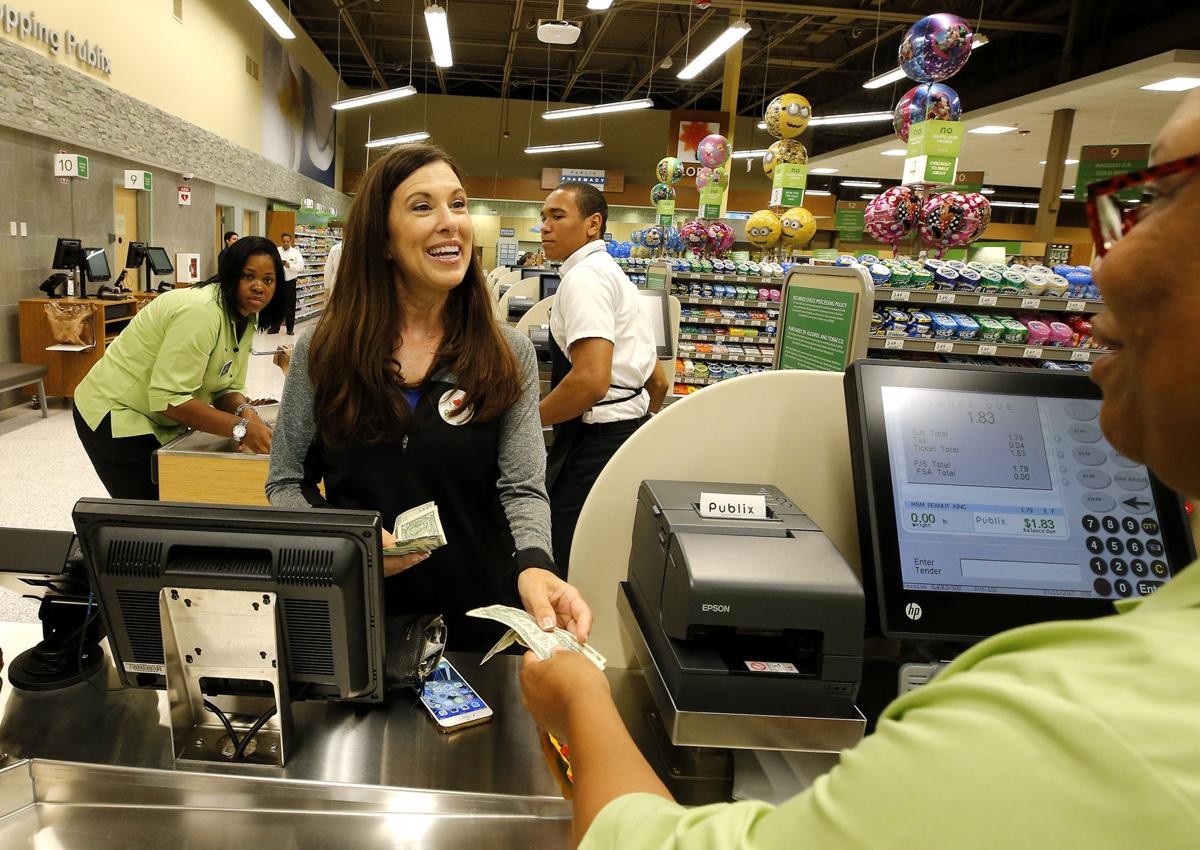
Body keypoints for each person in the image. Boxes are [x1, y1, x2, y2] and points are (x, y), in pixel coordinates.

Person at [519, 91, 1200, 850]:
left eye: (1160, 195)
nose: (1111, 262)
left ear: (591, 223)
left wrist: (583, 699)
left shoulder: (1075, 721)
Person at [266, 143, 592, 652]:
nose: (450, 223)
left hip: (476, 621)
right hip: (355, 610)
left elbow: (522, 489)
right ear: (382, 240)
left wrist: (535, 563)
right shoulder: (325, 350)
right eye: (423, 207)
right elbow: (287, 481)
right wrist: (348, 537)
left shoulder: (505, 353)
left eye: (458, 204)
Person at [73, 236, 284, 499]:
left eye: (268, 280)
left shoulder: (245, 317)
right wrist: (240, 427)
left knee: (180, 496)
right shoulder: (202, 312)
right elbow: (170, 400)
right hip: (115, 412)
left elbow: (226, 387)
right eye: (248, 276)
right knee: (150, 512)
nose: (258, 287)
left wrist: (245, 412)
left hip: (160, 418)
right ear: (230, 275)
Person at [538, 182, 668, 576]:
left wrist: (526, 422)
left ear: (593, 224)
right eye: (543, 217)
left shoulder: (584, 279)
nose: (544, 226)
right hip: (621, 437)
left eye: (557, 216)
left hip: (592, 445)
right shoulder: (613, 274)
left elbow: (592, 381)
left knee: (559, 556)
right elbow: (658, 382)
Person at [271, 231, 304, 334]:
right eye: (284, 241)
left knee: (290, 306)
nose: (286, 243)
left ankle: (290, 329)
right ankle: (275, 327)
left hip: (290, 282)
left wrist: (290, 266)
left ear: (291, 241)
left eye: (288, 241)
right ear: (281, 241)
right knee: (276, 304)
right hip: (278, 282)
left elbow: (301, 267)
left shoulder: (296, 253)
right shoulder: (276, 251)